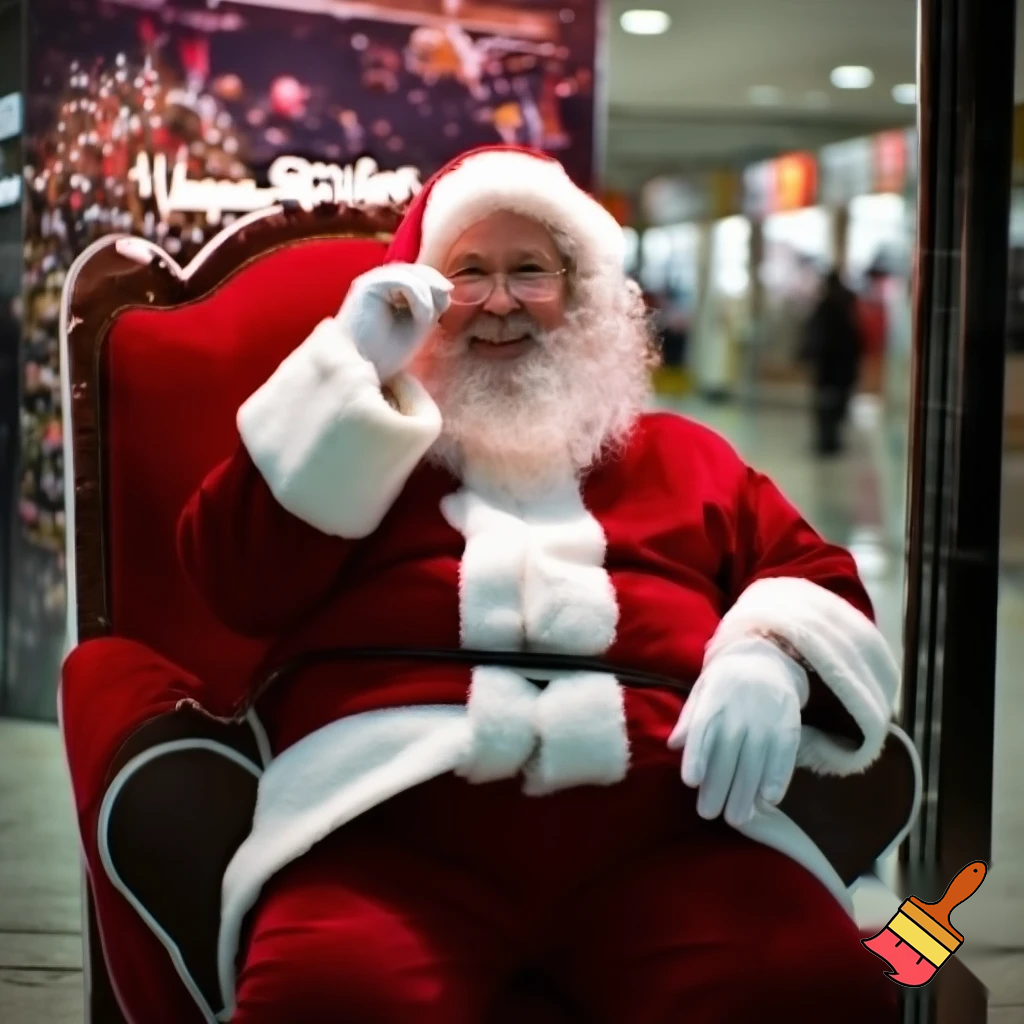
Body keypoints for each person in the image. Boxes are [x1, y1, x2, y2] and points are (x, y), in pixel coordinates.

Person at [163, 146, 900, 1022]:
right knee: (329, 1000)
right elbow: (232, 582)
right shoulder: (359, 448)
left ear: (582, 295)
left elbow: (814, 575)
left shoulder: (686, 457)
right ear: (418, 298)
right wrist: (350, 372)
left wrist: (771, 652)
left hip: (672, 841)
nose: (500, 301)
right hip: (390, 841)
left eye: (530, 272)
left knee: (805, 989)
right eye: (466, 273)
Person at [799, 269, 864, 456]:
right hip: (842, 366)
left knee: (826, 405)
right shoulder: (847, 303)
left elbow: (816, 335)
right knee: (836, 404)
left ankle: (827, 441)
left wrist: (807, 354)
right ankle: (831, 440)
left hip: (828, 366)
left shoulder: (828, 306)